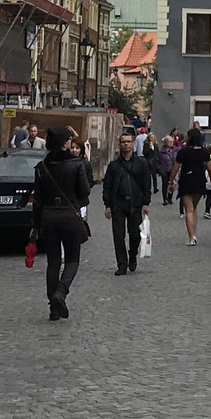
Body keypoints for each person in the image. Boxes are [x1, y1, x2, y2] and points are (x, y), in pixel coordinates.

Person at [31, 126, 92, 320]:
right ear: (65, 143)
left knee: (53, 262)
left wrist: (35, 225)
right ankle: (61, 293)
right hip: (69, 215)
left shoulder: (42, 167)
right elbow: (85, 192)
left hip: (48, 216)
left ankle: (53, 306)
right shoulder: (76, 164)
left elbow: (38, 201)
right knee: (72, 259)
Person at [101, 132, 152, 274]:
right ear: (120, 144)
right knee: (118, 236)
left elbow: (146, 184)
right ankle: (122, 265)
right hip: (118, 204)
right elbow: (108, 186)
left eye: (128, 141)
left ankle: (132, 255)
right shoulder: (114, 166)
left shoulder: (141, 163)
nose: (126, 144)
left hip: (135, 204)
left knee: (135, 235)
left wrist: (145, 202)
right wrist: (108, 205)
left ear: (133, 143)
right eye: (123, 142)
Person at [172, 127, 211, 245]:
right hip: (199, 180)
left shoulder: (183, 151)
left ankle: (191, 236)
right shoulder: (204, 151)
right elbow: (209, 168)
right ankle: (193, 233)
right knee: (194, 208)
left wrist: (171, 181)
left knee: (188, 210)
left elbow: (176, 167)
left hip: (186, 180)